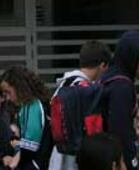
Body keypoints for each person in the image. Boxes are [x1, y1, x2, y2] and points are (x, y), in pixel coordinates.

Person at [48, 40, 112, 170]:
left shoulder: (63, 85)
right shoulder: (87, 91)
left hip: (59, 153)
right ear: (103, 65)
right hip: (77, 157)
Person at [100, 30, 139, 170]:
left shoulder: (108, 77)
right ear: (130, 54)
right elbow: (120, 132)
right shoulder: (121, 86)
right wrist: (129, 162)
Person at [1, 66, 53, 170]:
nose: (7, 98)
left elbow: (30, 147)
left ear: (18, 87)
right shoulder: (25, 107)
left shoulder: (33, 105)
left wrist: (14, 160)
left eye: (8, 92)